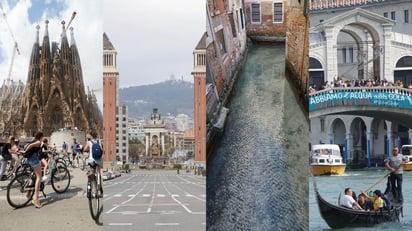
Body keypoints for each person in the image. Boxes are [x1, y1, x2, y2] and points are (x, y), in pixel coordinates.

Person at [23, 131, 44, 208]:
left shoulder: (34, 140)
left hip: (31, 159)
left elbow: (30, 145)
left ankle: (28, 193)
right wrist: (26, 151)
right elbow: (30, 146)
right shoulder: (38, 142)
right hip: (33, 159)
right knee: (39, 177)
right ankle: (35, 198)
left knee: (34, 176)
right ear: (41, 136)